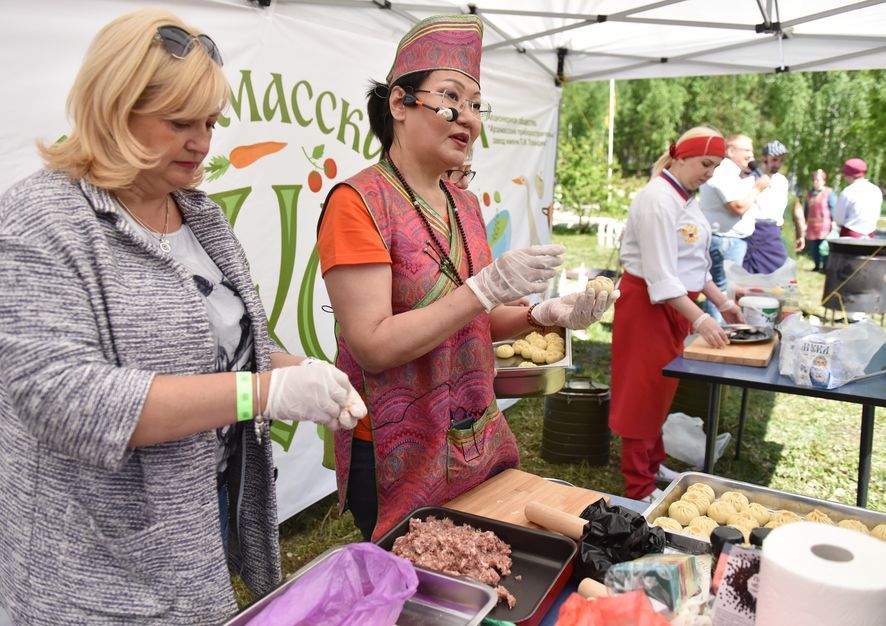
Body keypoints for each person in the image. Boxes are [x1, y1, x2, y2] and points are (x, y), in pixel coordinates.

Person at [0, 10, 365, 624]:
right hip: (91, 559)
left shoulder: (200, 215)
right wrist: (262, 392)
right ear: (114, 109)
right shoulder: (44, 218)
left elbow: (229, 348)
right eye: (179, 123)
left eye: (210, 122)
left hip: (196, 512)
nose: (202, 142)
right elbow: (66, 400)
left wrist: (298, 371)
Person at [317, 14, 617, 541]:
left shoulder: (464, 204)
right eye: (452, 99)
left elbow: (476, 321)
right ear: (400, 103)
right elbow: (374, 347)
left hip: (475, 435)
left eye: (477, 105)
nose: (469, 119)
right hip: (394, 453)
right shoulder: (358, 203)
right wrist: (482, 289)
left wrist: (540, 315)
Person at [610, 127, 744, 503]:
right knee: (641, 393)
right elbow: (661, 279)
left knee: (661, 391)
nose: (709, 174)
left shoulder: (686, 198)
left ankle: (652, 465)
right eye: (706, 164)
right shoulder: (657, 199)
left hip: (674, 306)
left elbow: (695, 267)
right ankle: (638, 486)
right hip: (646, 306)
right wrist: (702, 319)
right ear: (681, 157)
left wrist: (724, 304)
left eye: (715, 167)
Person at [699, 134, 770, 321]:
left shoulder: (732, 174)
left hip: (729, 240)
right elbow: (737, 207)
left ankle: (719, 330)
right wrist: (757, 188)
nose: (751, 155)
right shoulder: (722, 172)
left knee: (724, 291)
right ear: (731, 151)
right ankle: (716, 331)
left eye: (752, 150)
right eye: (746, 150)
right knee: (721, 292)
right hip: (725, 240)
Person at [742, 140, 790, 274]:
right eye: (774, 160)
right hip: (755, 232)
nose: (778, 164)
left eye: (781, 160)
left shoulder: (782, 181)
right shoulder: (750, 181)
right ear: (763, 158)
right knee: (753, 275)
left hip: (774, 231)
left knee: (779, 274)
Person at [833, 158, 883, 238]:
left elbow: (838, 218)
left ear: (848, 175)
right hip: (870, 236)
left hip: (849, 236)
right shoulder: (876, 190)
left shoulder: (848, 192)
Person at [803, 169, 837, 272]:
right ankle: (817, 266)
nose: (815, 182)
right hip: (812, 225)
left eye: (818, 180)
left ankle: (825, 266)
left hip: (824, 225)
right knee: (814, 247)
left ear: (823, 181)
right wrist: (804, 222)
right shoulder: (809, 194)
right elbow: (806, 209)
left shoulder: (828, 192)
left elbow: (833, 208)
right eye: (814, 180)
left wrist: (833, 221)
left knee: (823, 246)